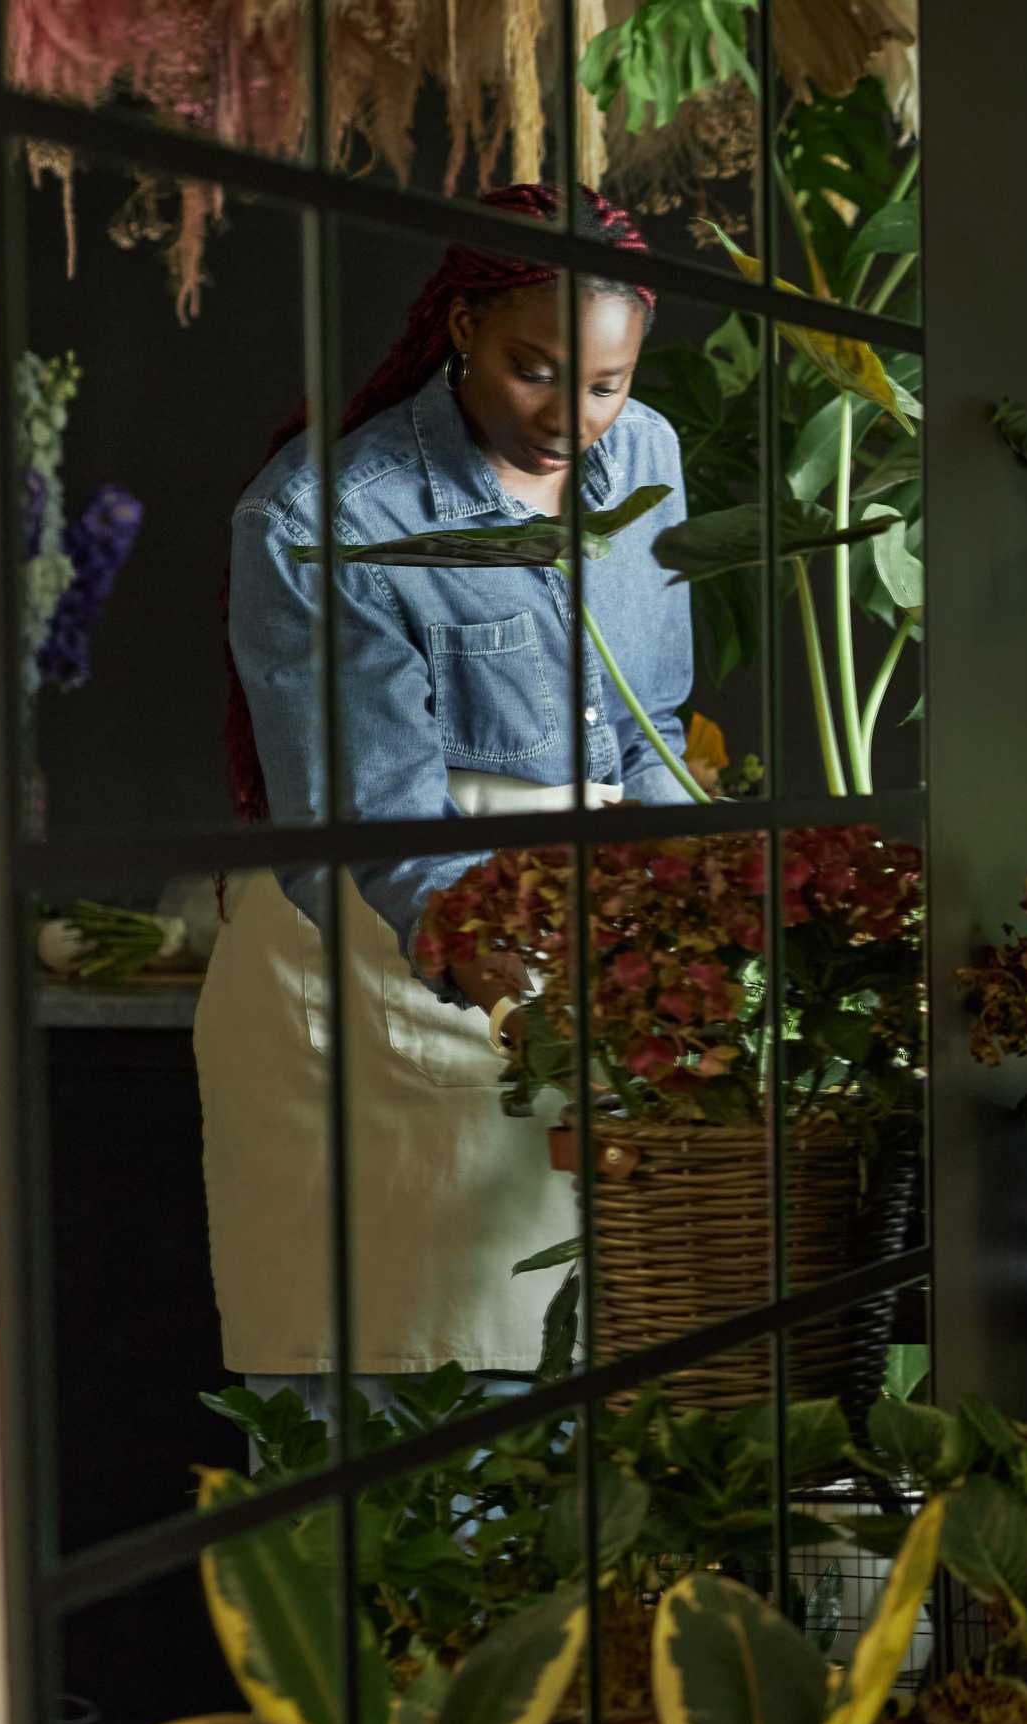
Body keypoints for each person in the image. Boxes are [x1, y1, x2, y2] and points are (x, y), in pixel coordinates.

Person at [196, 183, 699, 1413]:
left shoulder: (648, 460)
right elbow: (367, 827)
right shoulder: (323, 518)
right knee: (387, 1476)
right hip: (374, 994)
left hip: (572, 987)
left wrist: (684, 929)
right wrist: (511, 964)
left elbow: (655, 731)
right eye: (535, 371)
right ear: (462, 324)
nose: (573, 421)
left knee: (577, 1466)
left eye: (605, 385)